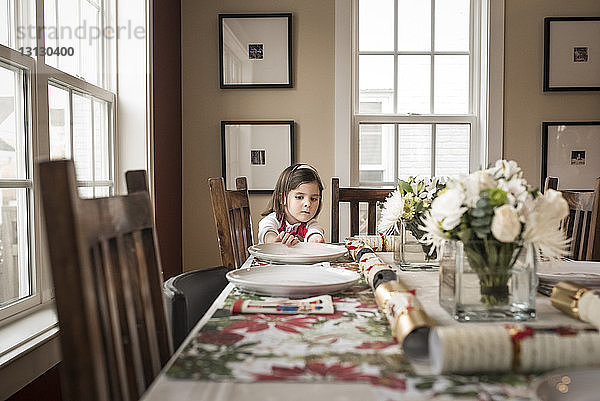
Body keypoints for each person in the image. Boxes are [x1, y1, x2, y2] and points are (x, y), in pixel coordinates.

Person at [258, 163, 326, 246]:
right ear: (283, 198)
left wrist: (315, 239)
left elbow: (315, 231)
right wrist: (273, 240)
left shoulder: (310, 224)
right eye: (299, 197)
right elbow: (267, 231)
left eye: (314, 199)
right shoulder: (273, 220)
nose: (308, 204)